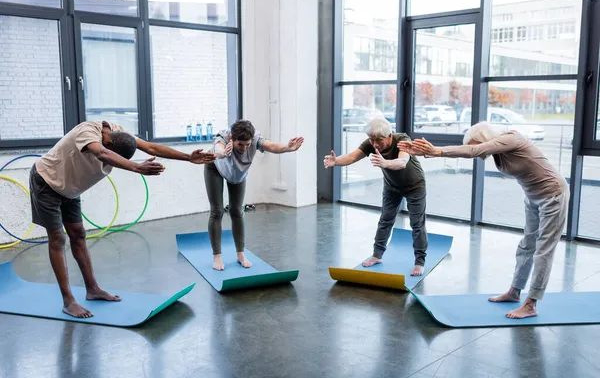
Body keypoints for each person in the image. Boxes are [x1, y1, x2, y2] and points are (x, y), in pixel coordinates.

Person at [31, 120, 216, 319]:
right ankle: (68, 301)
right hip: (47, 181)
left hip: (70, 188)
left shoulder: (120, 133)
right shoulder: (87, 131)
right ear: (107, 142)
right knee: (58, 238)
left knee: (78, 234)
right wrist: (136, 168)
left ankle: (93, 289)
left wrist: (188, 157)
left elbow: (151, 147)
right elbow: (102, 154)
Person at [398, 122, 569, 319]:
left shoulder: (512, 138)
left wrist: (437, 151)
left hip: (554, 194)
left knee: (543, 250)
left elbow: (474, 150)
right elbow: (474, 149)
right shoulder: (498, 152)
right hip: (533, 197)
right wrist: (428, 152)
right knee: (526, 246)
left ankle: (531, 304)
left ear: (484, 137)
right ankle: (514, 292)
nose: (478, 152)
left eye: (475, 143)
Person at [324, 118, 428, 276]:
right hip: (392, 186)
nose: (375, 144)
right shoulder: (370, 143)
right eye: (372, 140)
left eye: (378, 140)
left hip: (415, 186)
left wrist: (385, 163)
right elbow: (352, 157)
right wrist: (336, 161)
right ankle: (377, 255)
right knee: (385, 220)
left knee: (417, 224)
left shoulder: (402, 140)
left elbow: (402, 162)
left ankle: (419, 262)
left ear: (389, 136)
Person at [206, 119, 304, 271]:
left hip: (237, 174)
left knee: (237, 211)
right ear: (232, 138)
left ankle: (240, 254)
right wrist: (223, 152)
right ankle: (217, 256)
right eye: (240, 145)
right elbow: (218, 149)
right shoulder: (224, 137)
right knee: (217, 210)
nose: (244, 148)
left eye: (248, 144)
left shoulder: (255, 138)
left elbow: (271, 146)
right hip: (215, 167)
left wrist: (287, 147)